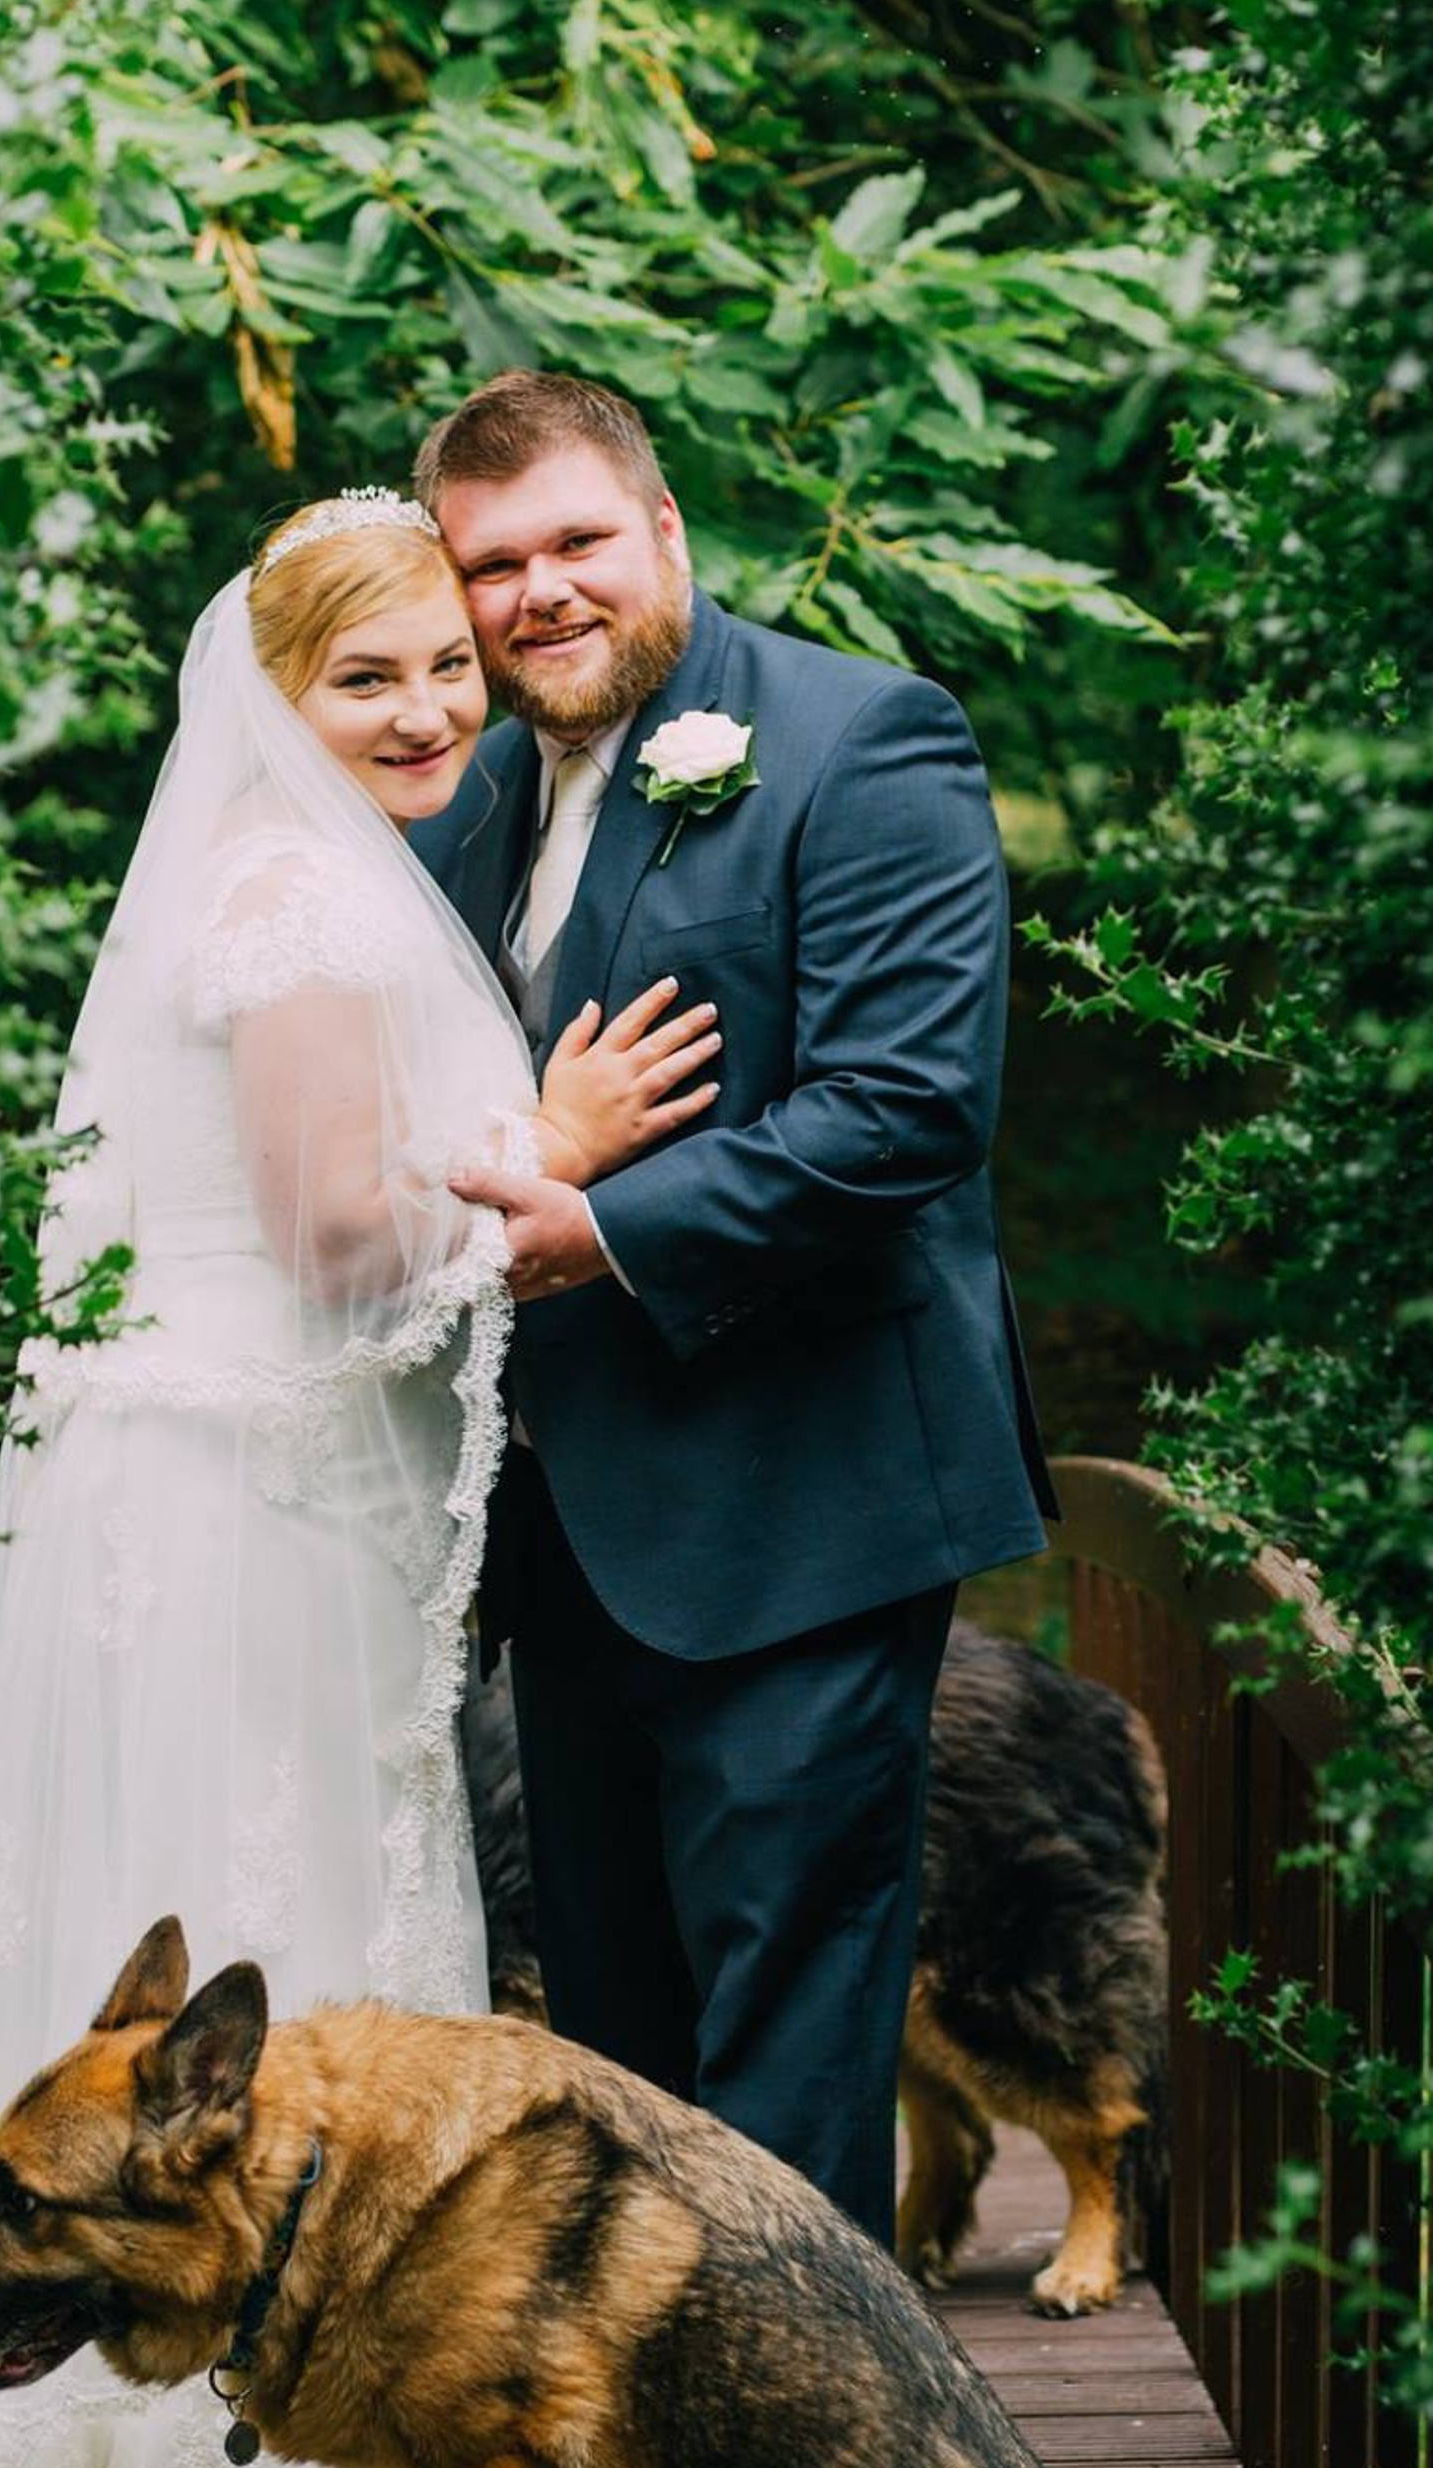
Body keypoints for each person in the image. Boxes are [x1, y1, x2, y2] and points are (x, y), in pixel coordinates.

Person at [0, 493, 718, 2468]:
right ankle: (267, 2420)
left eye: (447, 666)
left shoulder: (297, 876)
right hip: (256, 1502)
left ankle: (246, 2374)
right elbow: (332, 1235)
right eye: (366, 677)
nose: (427, 707)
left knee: (212, 1884)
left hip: (242, 1481)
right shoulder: (296, 903)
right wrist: (549, 1150)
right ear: (273, 692)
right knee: (273, 1887)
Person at [411, 374, 1056, 2244]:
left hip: (807, 1503)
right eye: (494, 565)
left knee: (784, 2047)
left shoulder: (865, 741)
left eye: (578, 545)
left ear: (667, 531)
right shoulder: (470, 800)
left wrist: (595, 1235)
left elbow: (909, 1104)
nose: (539, 593)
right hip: (569, 1528)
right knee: (621, 2047)